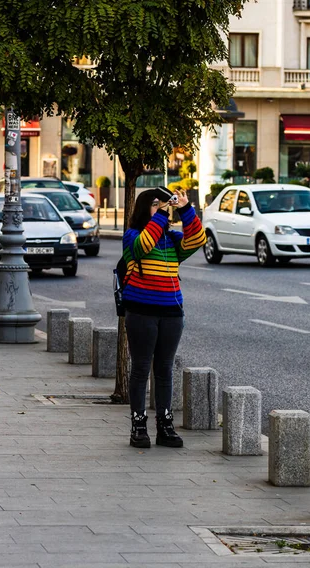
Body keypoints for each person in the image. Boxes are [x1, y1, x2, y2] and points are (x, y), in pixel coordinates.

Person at [122, 188, 207, 449]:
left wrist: (184, 209)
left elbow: (197, 240)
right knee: (140, 369)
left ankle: (164, 425)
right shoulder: (132, 236)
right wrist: (160, 216)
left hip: (171, 313)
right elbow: (144, 245)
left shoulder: (171, 240)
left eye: (163, 204)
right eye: (155, 204)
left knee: (164, 370)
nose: (161, 208)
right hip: (141, 312)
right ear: (143, 208)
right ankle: (138, 425)